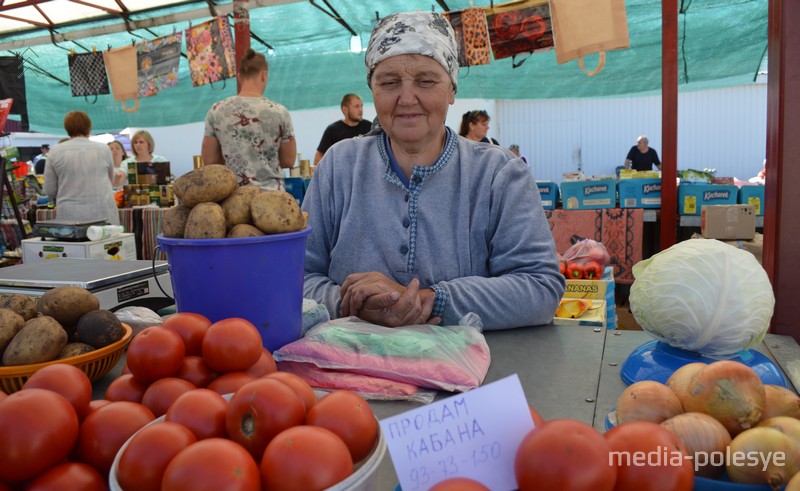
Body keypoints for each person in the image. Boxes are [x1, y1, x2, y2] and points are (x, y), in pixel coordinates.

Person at [302, 11, 564, 330]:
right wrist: (354, 304)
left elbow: (540, 288)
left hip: (473, 373)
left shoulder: (499, 173)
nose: (407, 98)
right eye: (389, 82)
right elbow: (295, 277)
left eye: (426, 81)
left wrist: (428, 300)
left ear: (452, 90)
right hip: (346, 371)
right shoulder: (338, 166)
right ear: (372, 89)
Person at [201, 48, 296, 191]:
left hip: (232, 198)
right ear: (264, 75)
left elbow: (210, 161)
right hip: (272, 198)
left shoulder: (217, 110)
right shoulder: (280, 112)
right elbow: (288, 161)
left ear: (239, 76)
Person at [43, 111, 120, 225]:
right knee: (104, 242)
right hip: (103, 212)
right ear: (89, 128)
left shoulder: (55, 151)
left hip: (70, 215)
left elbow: (50, 190)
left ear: (67, 129)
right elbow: (110, 180)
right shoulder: (103, 149)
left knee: (75, 242)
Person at [314, 94, 373, 165]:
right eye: (356, 106)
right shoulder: (332, 130)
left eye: (361, 106)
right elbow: (318, 157)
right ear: (345, 109)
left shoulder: (370, 127)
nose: (360, 110)